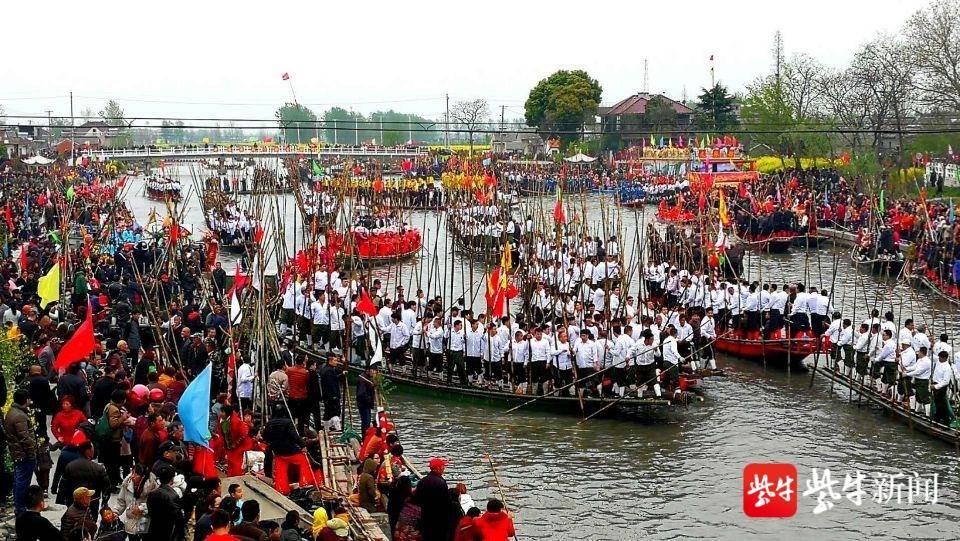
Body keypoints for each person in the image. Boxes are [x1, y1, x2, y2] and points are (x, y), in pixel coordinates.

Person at [4, 388, 37, 515]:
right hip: (23, 454)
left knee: (19, 480)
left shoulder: (13, 412)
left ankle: (19, 506)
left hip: (18, 453)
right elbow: (25, 438)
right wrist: (32, 452)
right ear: (26, 400)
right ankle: (20, 508)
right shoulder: (19, 416)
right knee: (22, 482)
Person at [115, 463, 157, 540]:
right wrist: (116, 512)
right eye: (132, 472)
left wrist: (142, 508)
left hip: (145, 522)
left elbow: (155, 504)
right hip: (130, 522)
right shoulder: (127, 484)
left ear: (143, 477)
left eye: (136, 474)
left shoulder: (153, 487)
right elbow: (121, 501)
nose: (133, 476)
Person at [145, 465, 185, 541]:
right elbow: (179, 519)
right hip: (167, 532)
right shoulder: (174, 496)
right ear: (172, 479)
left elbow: (150, 512)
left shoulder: (152, 494)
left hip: (152, 530)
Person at [417, 457, 451, 541]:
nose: (444, 468)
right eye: (443, 466)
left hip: (425, 516)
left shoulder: (422, 481)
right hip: (439, 518)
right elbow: (446, 503)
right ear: (438, 468)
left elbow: (418, 498)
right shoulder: (441, 482)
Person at [356, 362, 378, 434]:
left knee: (367, 422)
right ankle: (365, 438)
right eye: (374, 371)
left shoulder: (368, 378)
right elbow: (361, 394)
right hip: (364, 405)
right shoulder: (363, 379)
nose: (375, 373)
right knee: (366, 422)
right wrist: (369, 399)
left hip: (366, 405)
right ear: (368, 370)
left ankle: (365, 437)